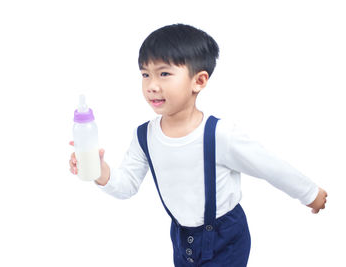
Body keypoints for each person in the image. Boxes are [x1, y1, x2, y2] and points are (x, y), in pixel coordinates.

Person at [68, 24, 327, 266]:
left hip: (226, 237)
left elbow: (269, 166)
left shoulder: (219, 134)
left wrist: (309, 193)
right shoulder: (144, 136)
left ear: (199, 81)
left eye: (164, 73)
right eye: (145, 74)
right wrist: (99, 171)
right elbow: (126, 186)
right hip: (182, 236)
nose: (152, 85)